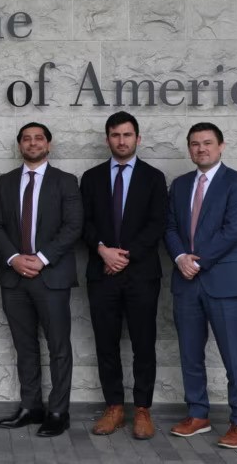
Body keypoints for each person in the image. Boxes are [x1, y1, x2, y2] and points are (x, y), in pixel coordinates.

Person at [163, 122, 237, 449]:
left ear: (221, 146)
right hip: (186, 282)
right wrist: (180, 258)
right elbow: (169, 227)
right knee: (190, 354)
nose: (201, 148)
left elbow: (233, 231)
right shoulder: (179, 185)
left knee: (234, 356)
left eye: (207, 143)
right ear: (189, 149)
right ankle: (197, 414)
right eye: (194, 144)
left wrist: (197, 262)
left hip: (224, 283)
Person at [0, 122, 83, 438]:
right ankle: (31, 407)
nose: (32, 143)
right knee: (24, 346)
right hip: (14, 278)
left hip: (51, 276)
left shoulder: (66, 182)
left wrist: (41, 258)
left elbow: (73, 226)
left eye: (38, 138)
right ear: (20, 145)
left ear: (48, 144)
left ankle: (58, 411)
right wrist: (14, 258)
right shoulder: (4, 182)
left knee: (58, 347)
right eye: (26, 139)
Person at [80, 112, 167, 439]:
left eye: (127, 134)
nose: (121, 140)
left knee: (144, 343)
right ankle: (114, 407)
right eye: (115, 135)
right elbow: (83, 222)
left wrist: (123, 256)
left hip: (141, 274)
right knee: (106, 343)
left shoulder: (154, 177)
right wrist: (103, 250)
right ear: (107, 139)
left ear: (137, 138)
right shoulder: (91, 178)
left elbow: (157, 224)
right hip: (102, 273)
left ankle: (142, 409)